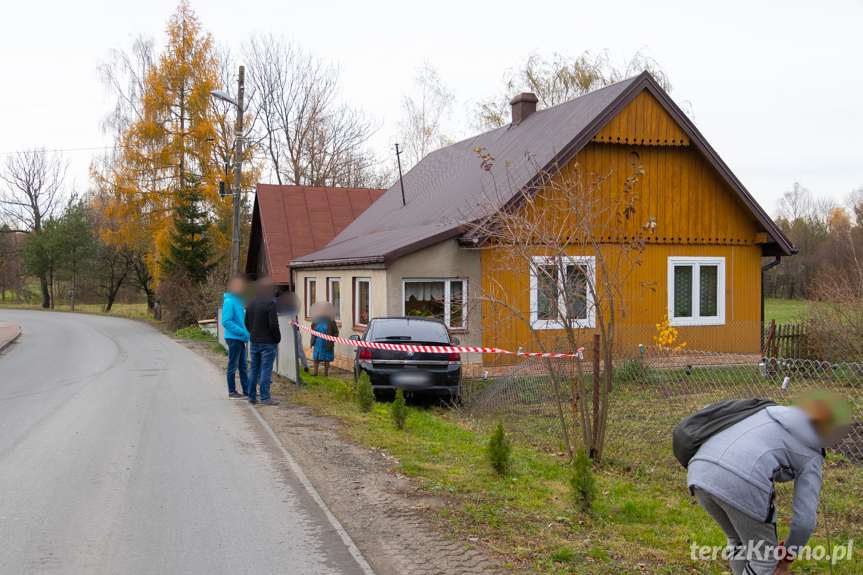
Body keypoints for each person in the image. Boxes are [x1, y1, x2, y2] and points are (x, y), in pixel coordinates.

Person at [687, 390, 852, 575]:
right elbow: (804, 522)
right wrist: (787, 556)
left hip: (698, 470)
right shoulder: (812, 454)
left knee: (739, 540)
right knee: (764, 558)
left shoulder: (766, 412)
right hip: (741, 479)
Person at [244, 277, 281, 406]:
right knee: (266, 369)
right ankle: (265, 397)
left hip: (254, 340)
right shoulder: (270, 303)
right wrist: (277, 338)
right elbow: (273, 325)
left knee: (254, 368)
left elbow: (247, 322)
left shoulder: (251, 302)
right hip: (267, 342)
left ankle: (251, 396)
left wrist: (252, 333)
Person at [221, 274, 250, 398]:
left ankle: (247, 390)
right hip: (234, 338)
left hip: (240, 338)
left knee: (243, 365)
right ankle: (232, 391)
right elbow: (226, 321)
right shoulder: (229, 302)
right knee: (233, 365)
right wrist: (241, 331)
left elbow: (241, 319)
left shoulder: (238, 302)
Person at [274, 291, 308, 372]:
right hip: (288, 332)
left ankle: (304, 367)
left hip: (294, 331)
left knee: (299, 350)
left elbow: (292, 319)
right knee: (294, 350)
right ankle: (290, 367)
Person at [309, 302, 338, 377]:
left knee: (327, 358)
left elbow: (336, 332)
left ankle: (325, 373)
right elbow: (312, 328)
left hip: (327, 343)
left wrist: (332, 340)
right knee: (316, 358)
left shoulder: (331, 321)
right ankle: (315, 372)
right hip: (318, 342)